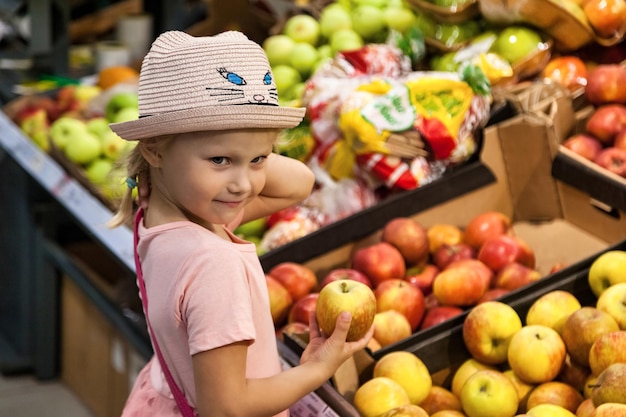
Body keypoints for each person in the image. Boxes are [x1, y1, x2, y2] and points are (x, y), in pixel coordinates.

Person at [107, 30, 373, 417]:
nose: (243, 185)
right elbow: (226, 408)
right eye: (219, 160)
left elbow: (300, 183)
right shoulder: (214, 263)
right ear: (154, 149)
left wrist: (240, 145)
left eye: (260, 160)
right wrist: (319, 367)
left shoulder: (159, 210)